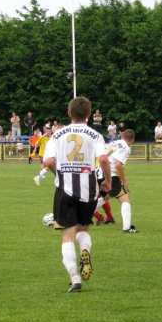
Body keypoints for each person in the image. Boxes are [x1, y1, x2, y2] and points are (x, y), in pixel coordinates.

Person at [42, 96, 111, 292]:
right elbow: (104, 159)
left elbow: (48, 161)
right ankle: (85, 250)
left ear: (69, 113)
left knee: (67, 236)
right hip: (88, 188)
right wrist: (108, 180)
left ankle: (75, 278)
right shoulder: (95, 134)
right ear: (89, 115)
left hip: (65, 189)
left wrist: (59, 175)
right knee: (83, 230)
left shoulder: (56, 135)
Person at [94, 129, 139, 233]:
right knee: (125, 200)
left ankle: (82, 214)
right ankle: (127, 228)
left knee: (105, 197)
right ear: (132, 140)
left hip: (99, 173)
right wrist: (124, 181)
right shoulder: (126, 147)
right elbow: (118, 165)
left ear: (122, 136)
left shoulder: (113, 143)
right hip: (110, 175)